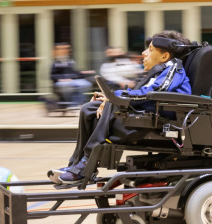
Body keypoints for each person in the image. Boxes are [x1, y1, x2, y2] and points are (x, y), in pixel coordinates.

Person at [48, 30, 192, 185]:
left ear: (164, 56)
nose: (144, 53)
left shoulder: (174, 70)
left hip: (158, 121)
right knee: (88, 109)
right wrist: (113, 97)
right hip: (147, 113)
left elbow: (153, 93)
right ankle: (76, 164)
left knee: (111, 104)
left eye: (150, 50)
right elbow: (141, 94)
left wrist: (114, 98)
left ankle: (84, 167)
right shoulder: (160, 71)